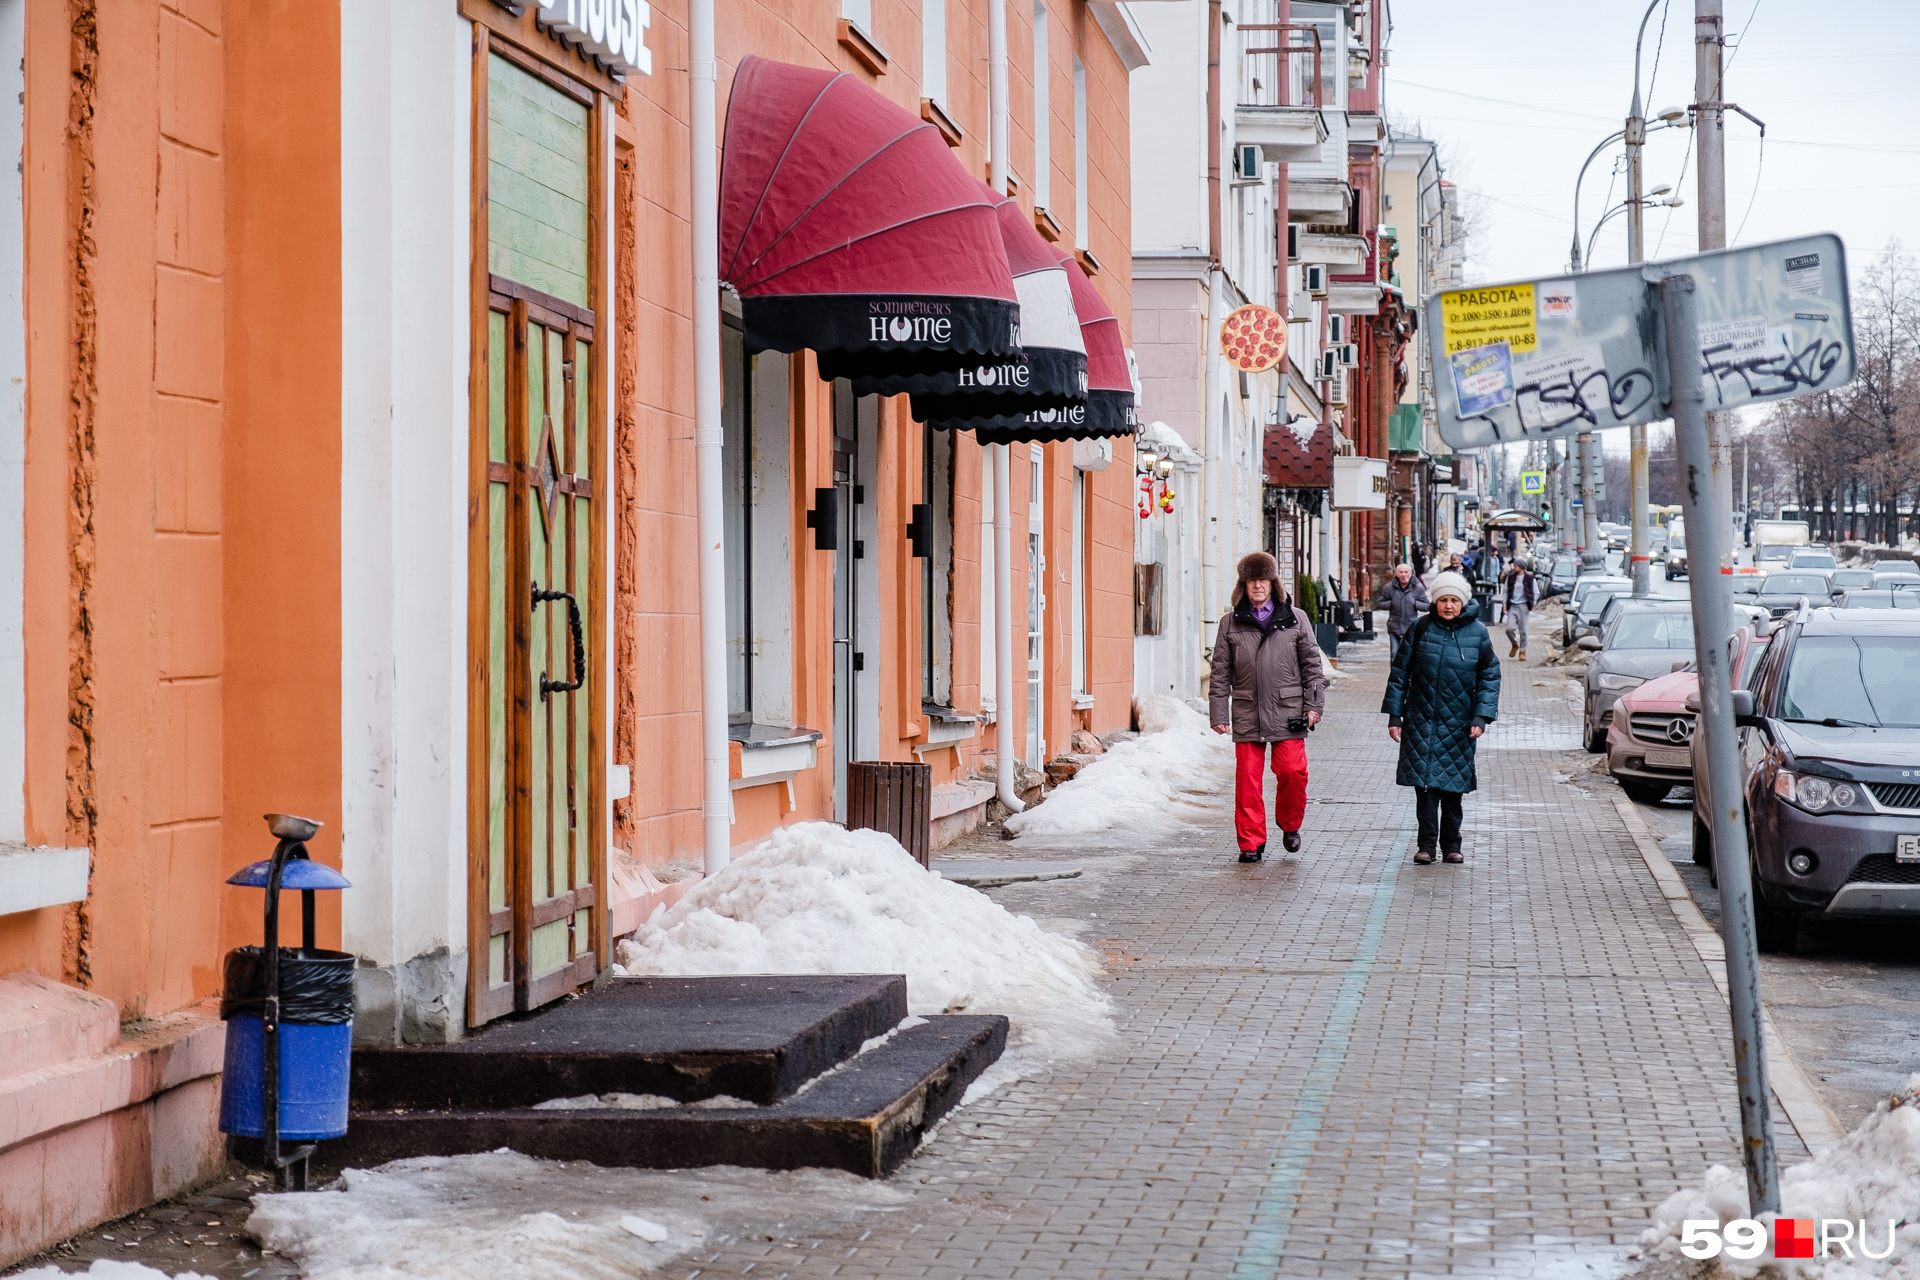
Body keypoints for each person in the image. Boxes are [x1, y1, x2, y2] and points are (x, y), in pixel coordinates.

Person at [1209, 552, 1327, 863]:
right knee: (1247, 779)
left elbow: (1312, 666)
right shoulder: (1229, 623)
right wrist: (1219, 713)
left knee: (1292, 771)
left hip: (1290, 710)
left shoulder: (1295, 618)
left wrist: (1314, 706)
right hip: (1248, 710)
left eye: (1263, 579)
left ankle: (1290, 824)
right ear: (1244, 585)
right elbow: (1220, 672)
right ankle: (1250, 843)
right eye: (1252, 580)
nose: (1257, 585)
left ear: (1273, 583)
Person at [1381, 571, 1502, 865]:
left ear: (1463, 602)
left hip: (1459, 725)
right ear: (1434, 602)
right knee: (1425, 790)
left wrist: (1481, 717)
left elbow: (1490, 676)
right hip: (1420, 721)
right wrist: (1395, 716)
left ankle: (1451, 846)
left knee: (1452, 791)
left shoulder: (1478, 633)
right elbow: (1400, 675)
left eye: (1454, 600)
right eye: (1443, 600)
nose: (1449, 606)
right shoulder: (1420, 628)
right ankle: (1426, 847)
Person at [1375, 562, 1430, 666]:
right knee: (1394, 656)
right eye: (1401, 572)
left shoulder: (1418, 588)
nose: (1404, 575)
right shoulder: (1389, 588)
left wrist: (1414, 603)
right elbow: (1380, 603)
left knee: (1409, 656)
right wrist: (1391, 604)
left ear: (1411, 574)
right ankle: (1394, 681)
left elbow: (1427, 606)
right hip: (1394, 627)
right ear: (1396, 574)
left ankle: (1408, 680)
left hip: (1410, 628)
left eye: (1406, 572)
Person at [1499, 560, 1536, 660]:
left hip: (1524, 606)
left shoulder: (1530, 578)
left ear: (1521, 567)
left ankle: (1523, 650)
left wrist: (1533, 601)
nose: (1513, 568)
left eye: (1515, 566)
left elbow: (1536, 592)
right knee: (1509, 629)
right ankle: (1515, 644)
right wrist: (1504, 604)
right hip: (1513, 606)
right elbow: (1506, 591)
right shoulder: (1510, 578)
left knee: (1523, 630)